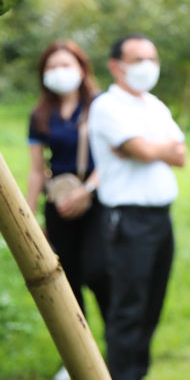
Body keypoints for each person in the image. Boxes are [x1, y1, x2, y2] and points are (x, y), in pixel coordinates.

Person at [89, 33, 187, 380]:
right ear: (116, 67)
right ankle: (119, 374)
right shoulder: (107, 106)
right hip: (128, 221)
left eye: (153, 59)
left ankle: (137, 373)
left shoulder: (154, 105)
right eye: (138, 59)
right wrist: (151, 148)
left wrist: (144, 146)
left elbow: (181, 153)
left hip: (161, 221)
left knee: (151, 308)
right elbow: (150, 151)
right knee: (128, 310)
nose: (148, 66)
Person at [26, 39, 110, 378]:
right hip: (58, 205)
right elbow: (36, 170)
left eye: (66, 65)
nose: (59, 72)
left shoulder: (100, 106)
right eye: (52, 66)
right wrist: (30, 216)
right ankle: (77, 356)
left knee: (99, 272)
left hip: (96, 201)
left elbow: (110, 157)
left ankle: (113, 349)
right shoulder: (40, 115)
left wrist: (87, 190)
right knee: (67, 280)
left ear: (82, 68)